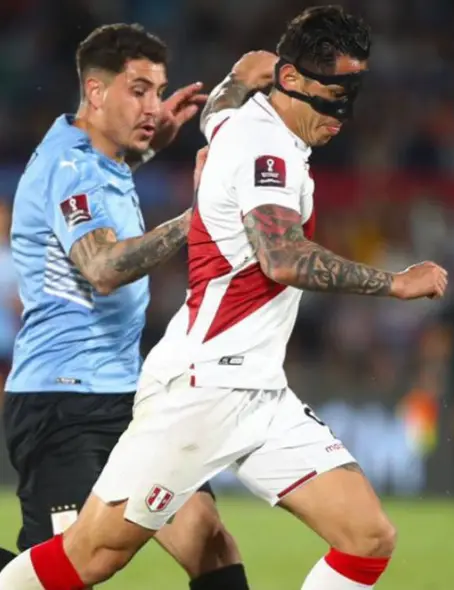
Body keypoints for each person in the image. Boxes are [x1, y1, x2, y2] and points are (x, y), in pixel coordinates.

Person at [0, 6, 448, 590]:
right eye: (333, 93)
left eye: (352, 92)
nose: (343, 111)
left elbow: (219, 107)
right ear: (290, 81)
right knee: (91, 557)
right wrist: (394, 282)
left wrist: (240, 72)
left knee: (367, 537)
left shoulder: (245, 118)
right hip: (202, 387)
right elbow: (281, 258)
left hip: (260, 391)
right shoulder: (270, 155)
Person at [0, 23, 255, 590]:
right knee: (65, 570)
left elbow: (99, 192)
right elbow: (103, 268)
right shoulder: (69, 167)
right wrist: (199, 217)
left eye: (157, 91)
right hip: (62, 403)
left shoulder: (100, 157)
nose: (153, 105)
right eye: (138, 90)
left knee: (207, 540)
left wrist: (146, 146)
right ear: (96, 92)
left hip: (130, 398)